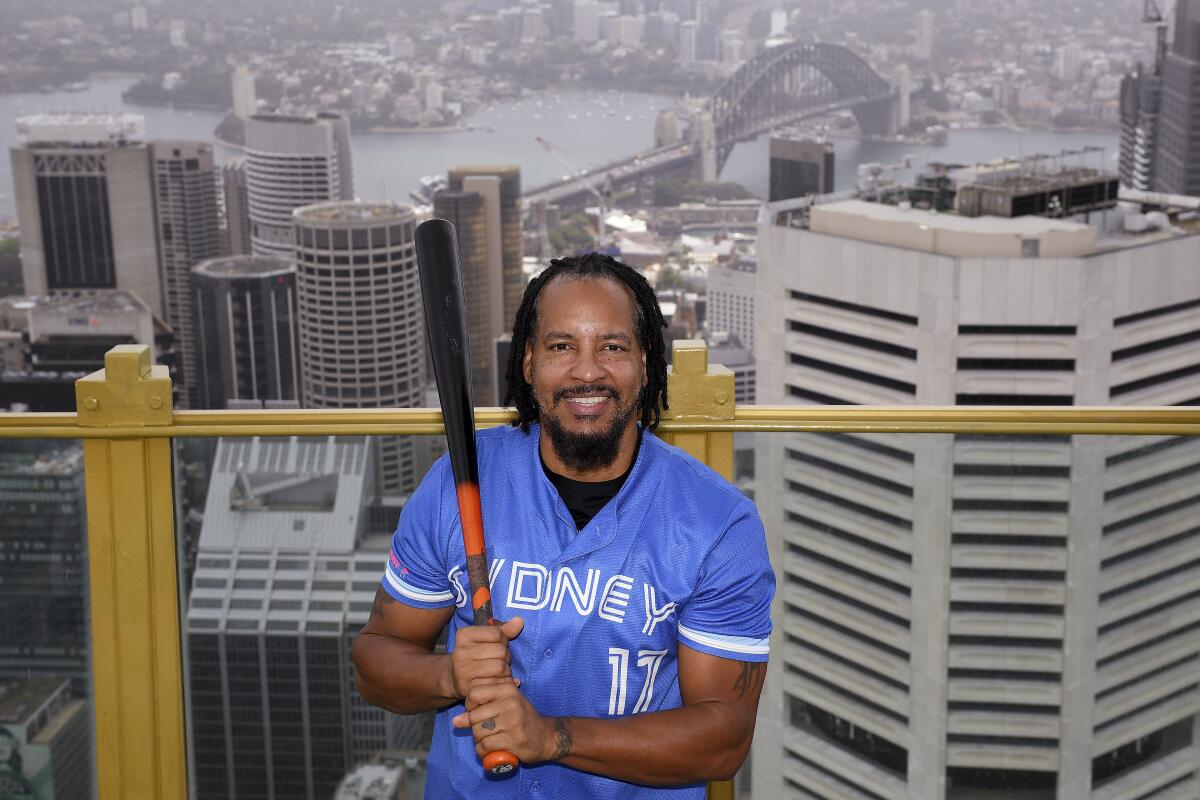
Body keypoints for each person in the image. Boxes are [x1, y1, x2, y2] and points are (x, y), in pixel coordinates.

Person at [353, 253, 775, 798]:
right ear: (528, 365)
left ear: (646, 365)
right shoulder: (457, 484)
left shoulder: (720, 524)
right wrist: (450, 677)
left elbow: (724, 740)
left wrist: (552, 737)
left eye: (613, 346)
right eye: (561, 346)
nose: (587, 370)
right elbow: (374, 661)